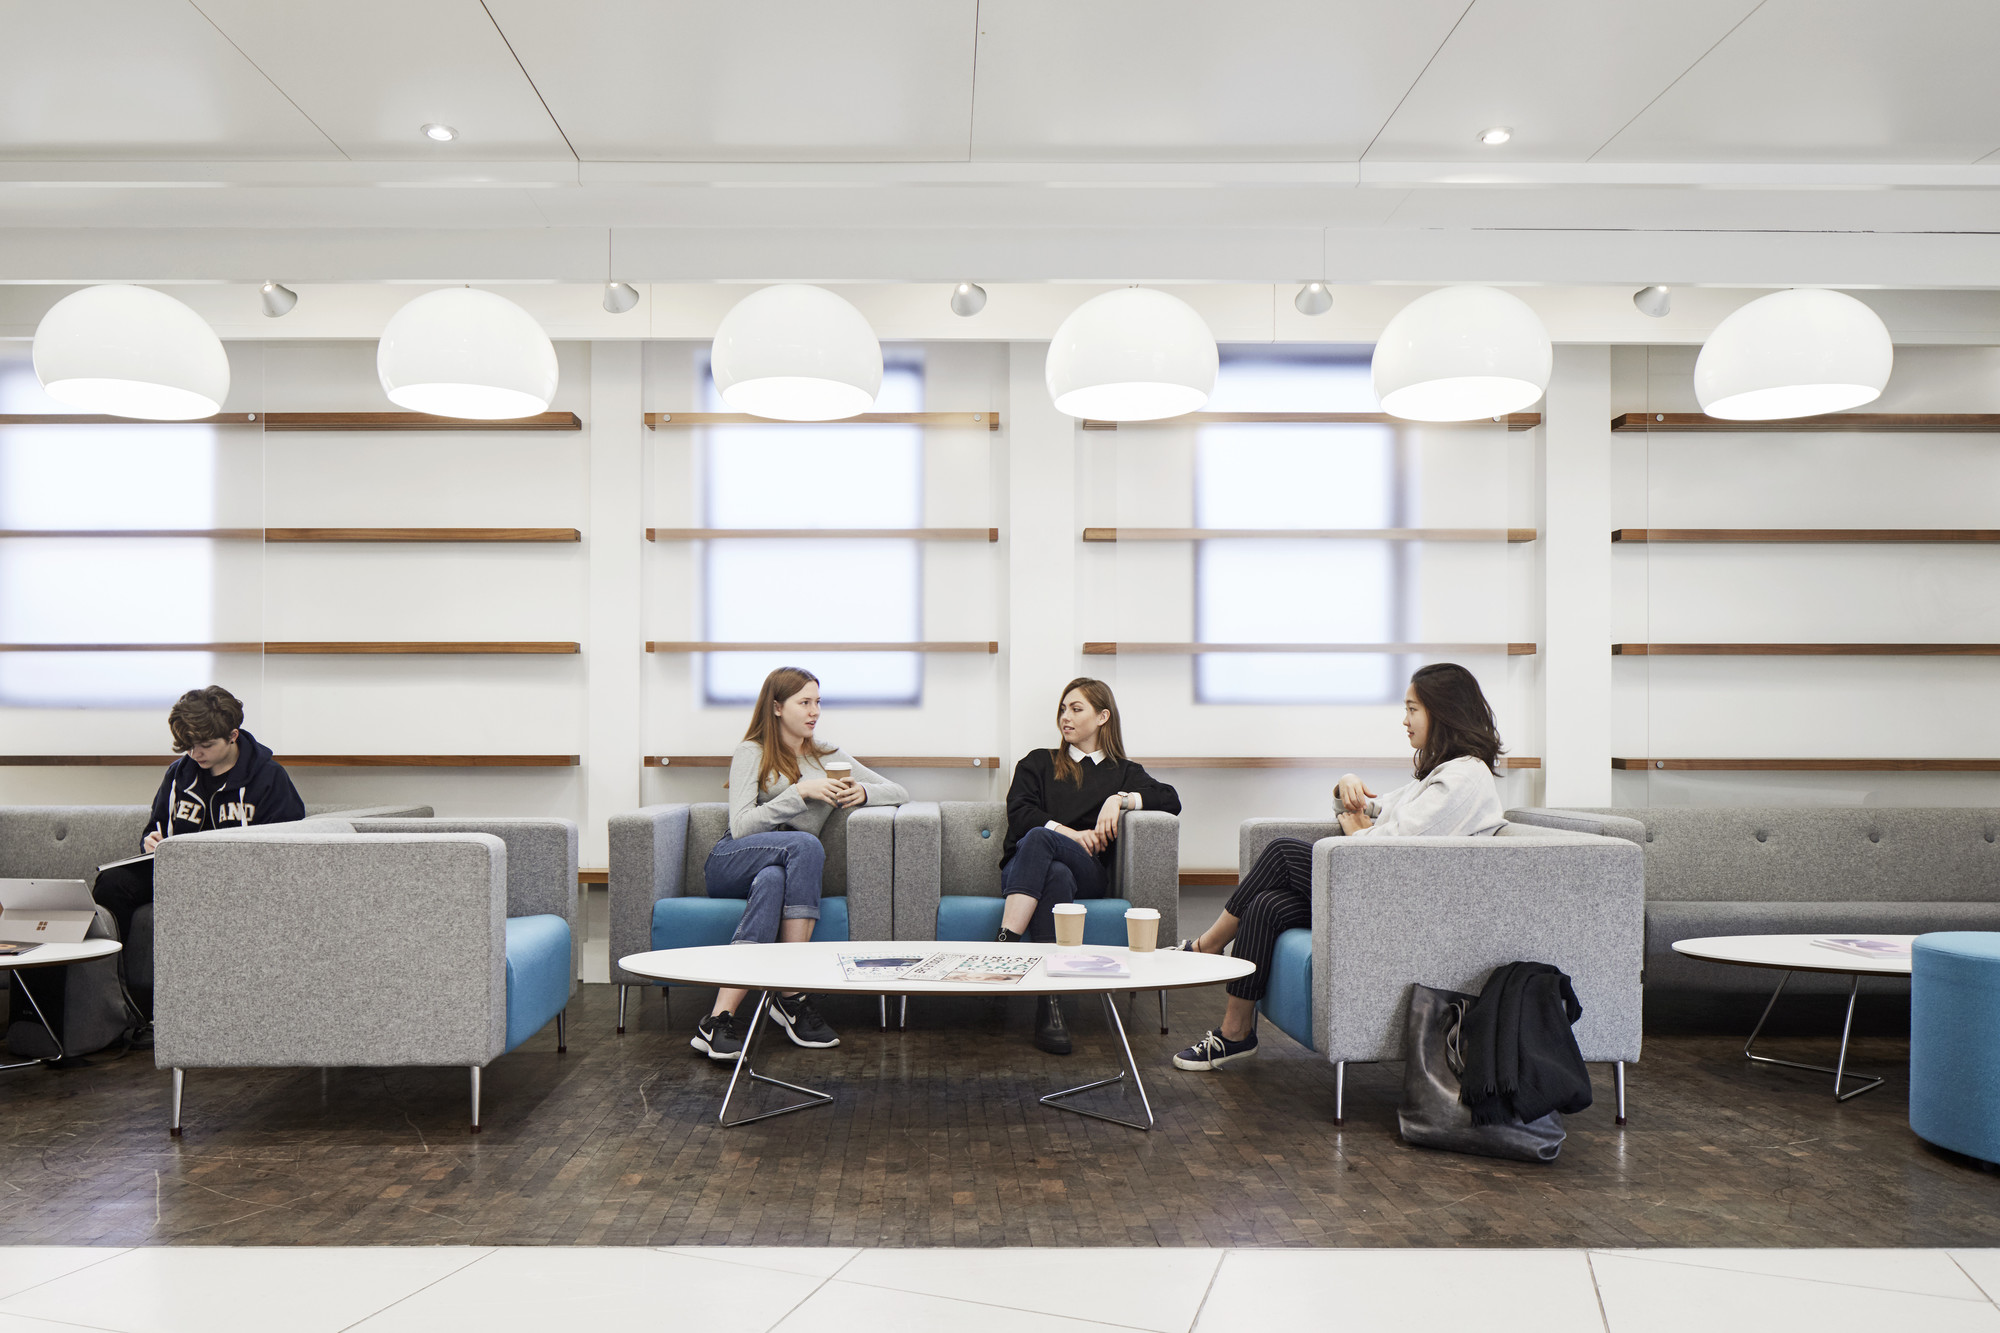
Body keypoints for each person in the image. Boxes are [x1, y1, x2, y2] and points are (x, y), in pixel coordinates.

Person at [1171, 662, 1506, 1073]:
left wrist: (1358, 833)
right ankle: (1234, 1034)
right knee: (1266, 905)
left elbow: (1390, 849)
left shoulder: (1463, 781)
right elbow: (1375, 813)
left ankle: (1205, 947)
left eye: (1412, 708)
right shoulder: (1442, 774)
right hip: (1385, 889)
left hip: (1406, 907)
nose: (1405, 720)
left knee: (1281, 853)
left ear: (1445, 711)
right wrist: (1345, 787)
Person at [19, 686, 306, 1048]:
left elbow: (293, 842)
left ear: (232, 736)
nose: (196, 754)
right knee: (112, 884)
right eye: (188, 746)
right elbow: (154, 829)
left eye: (205, 746)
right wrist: (150, 842)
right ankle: (113, 1007)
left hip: (238, 879)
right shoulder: (178, 775)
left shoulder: (268, 777)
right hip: (175, 872)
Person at [692, 666, 908, 1062]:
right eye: (804, 702)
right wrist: (798, 792)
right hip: (732, 859)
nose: (814, 711)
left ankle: (717, 1020)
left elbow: (898, 790)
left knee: (773, 882)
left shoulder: (827, 754)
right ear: (777, 707)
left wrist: (861, 791)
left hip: (777, 868)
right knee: (804, 845)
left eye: (818, 702)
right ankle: (791, 992)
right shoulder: (751, 752)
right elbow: (740, 827)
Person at [1001, 677, 1180, 1055]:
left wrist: (1119, 799)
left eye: (1076, 709)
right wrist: (1071, 834)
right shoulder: (1037, 762)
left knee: (1048, 847)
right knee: (1050, 861)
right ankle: (1051, 1004)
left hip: (1090, 875)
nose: (1065, 717)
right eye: (1063, 709)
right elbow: (1019, 814)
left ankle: (1005, 949)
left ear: (1102, 717)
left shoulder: (1123, 771)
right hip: (1029, 869)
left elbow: (1171, 799)